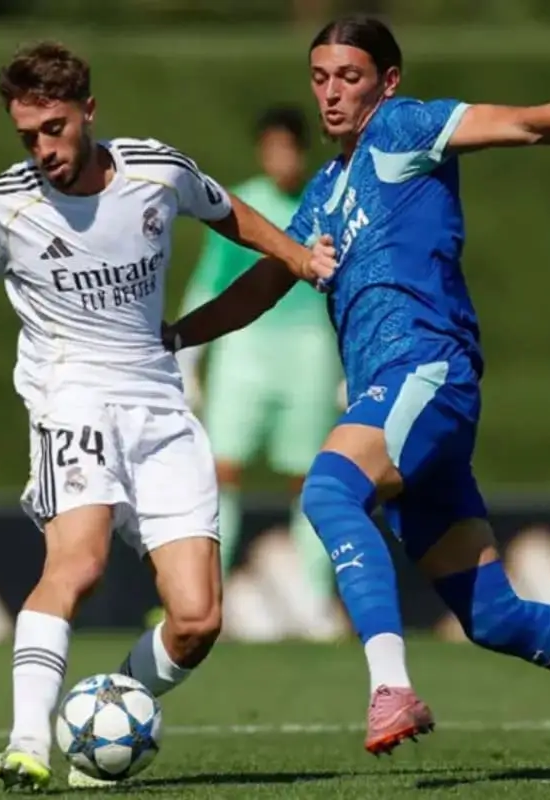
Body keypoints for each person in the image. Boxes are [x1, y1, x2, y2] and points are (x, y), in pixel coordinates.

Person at [163, 15, 550, 780]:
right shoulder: (327, 190)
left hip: (425, 373)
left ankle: (391, 687)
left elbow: (531, 125)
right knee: (494, 616)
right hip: (399, 395)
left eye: (351, 77)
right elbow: (262, 287)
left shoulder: (406, 129)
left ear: (388, 81)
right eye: (322, 78)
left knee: (330, 490)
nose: (333, 93)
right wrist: (169, 338)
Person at [0, 41, 329, 791]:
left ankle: (103, 714)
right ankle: (25, 744)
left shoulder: (155, 171)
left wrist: (301, 258)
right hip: (71, 397)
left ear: (88, 110)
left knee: (197, 621)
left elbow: (233, 215)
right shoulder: (7, 205)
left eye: (53, 127)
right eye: (27, 136)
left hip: (159, 401)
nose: (42, 149)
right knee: (76, 564)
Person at [175, 105, 345, 640]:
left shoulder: (330, 203)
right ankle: (206, 600)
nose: (280, 159)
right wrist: (188, 357)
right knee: (221, 469)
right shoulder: (239, 205)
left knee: (310, 476)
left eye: (288, 147)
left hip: (311, 349)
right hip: (246, 350)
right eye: (270, 148)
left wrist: (354, 363)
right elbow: (209, 282)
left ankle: (314, 600)